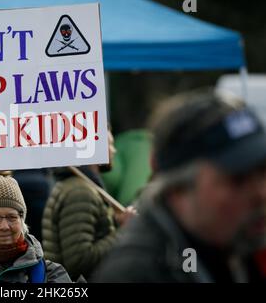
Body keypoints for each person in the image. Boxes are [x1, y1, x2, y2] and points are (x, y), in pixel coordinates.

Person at [92, 92, 266, 282]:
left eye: (263, 172)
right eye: (238, 179)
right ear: (177, 190)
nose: (261, 194)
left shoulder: (241, 246)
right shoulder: (137, 274)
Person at [42, 130, 136, 281]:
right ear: (94, 147)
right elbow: (79, 261)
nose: (114, 150)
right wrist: (124, 230)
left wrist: (116, 222)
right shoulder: (80, 191)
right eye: (110, 144)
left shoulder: (78, 186)